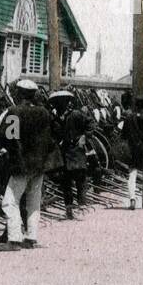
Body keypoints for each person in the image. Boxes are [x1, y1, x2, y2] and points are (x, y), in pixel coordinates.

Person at [0, 79, 55, 249]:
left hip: (22, 164)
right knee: (34, 202)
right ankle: (31, 237)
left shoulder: (14, 112)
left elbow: (9, 138)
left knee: (9, 201)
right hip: (40, 165)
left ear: (19, 93)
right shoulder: (44, 112)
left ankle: (14, 239)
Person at [49, 91, 91, 219]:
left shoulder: (76, 114)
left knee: (80, 179)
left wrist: (84, 136)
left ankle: (82, 205)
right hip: (64, 153)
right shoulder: (55, 118)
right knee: (65, 182)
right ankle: (69, 208)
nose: (59, 106)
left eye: (61, 103)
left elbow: (90, 124)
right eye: (56, 104)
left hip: (76, 151)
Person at [119, 94, 143, 210]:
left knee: (132, 175)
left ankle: (132, 200)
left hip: (133, 149)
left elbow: (123, 135)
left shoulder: (128, 118)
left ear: (136, 106)